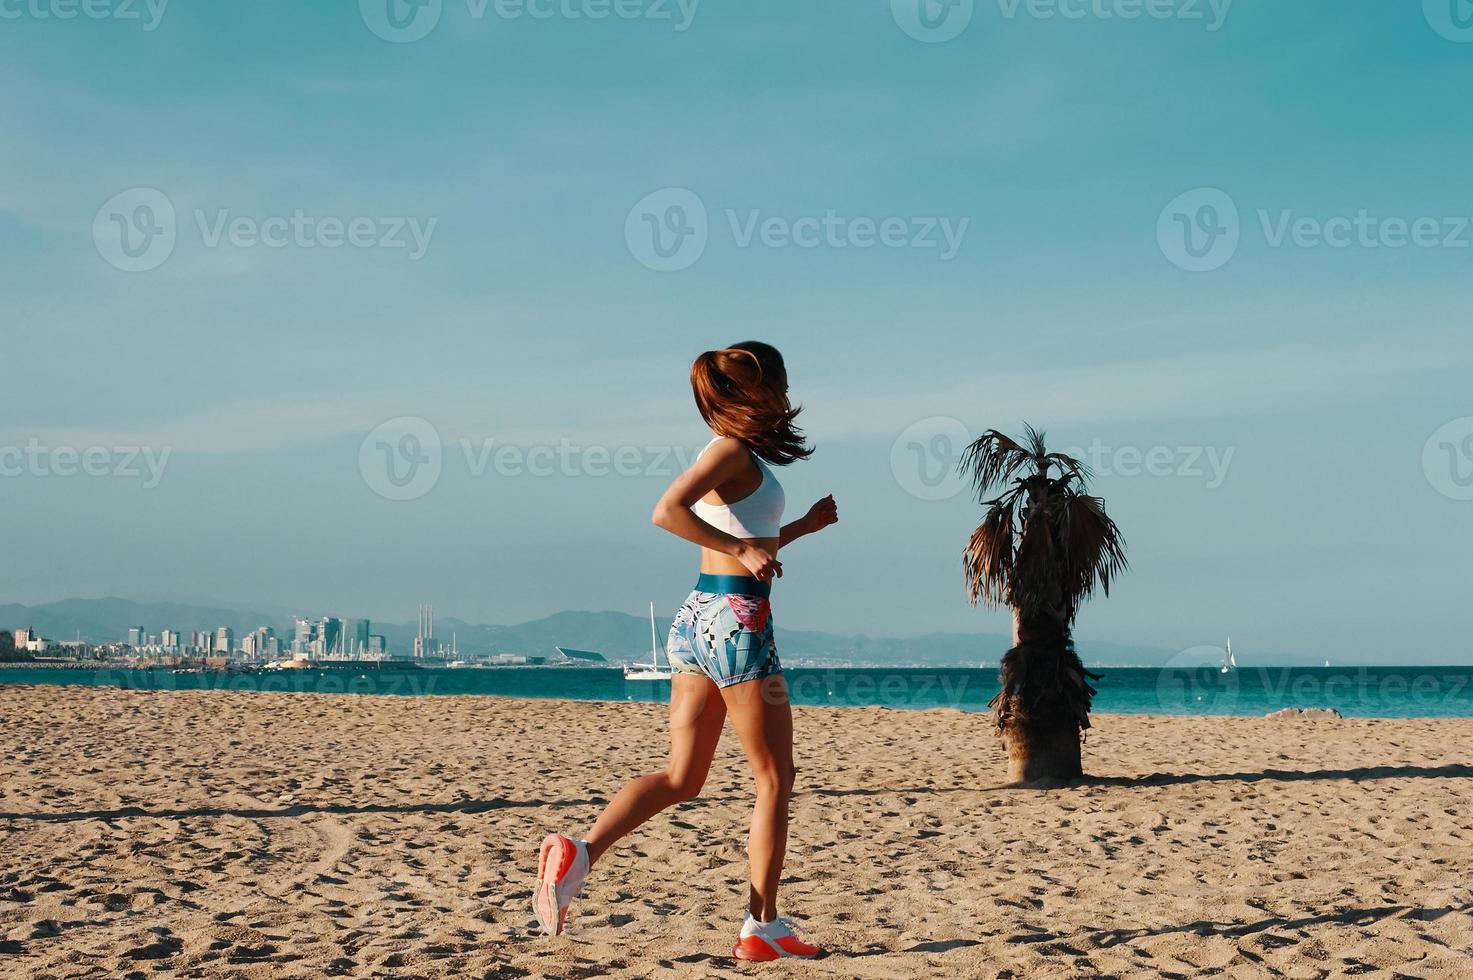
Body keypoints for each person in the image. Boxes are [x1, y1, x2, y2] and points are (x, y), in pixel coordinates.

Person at [532, 342, 839, 960]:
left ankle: (580, 853)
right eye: (778, 384)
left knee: (683, 778)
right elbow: (665, 513)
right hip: (737, 619)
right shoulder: (727, 450)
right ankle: (763, 928)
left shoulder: (728, 453)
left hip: (699, 618)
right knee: (776, 777)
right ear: (754, 391)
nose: (785, 394)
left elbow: (740, 533)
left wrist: (799, 528)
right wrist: (751, 555)